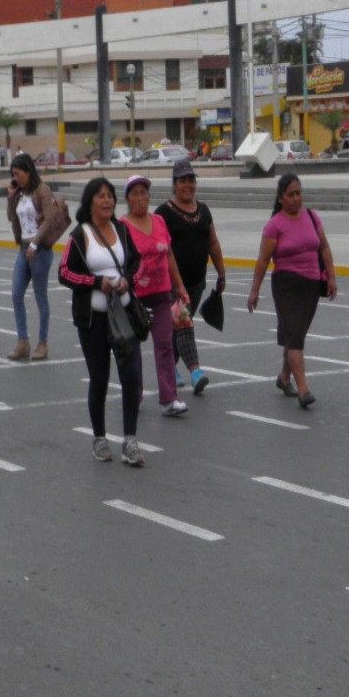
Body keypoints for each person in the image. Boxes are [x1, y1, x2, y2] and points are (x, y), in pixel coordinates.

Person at [57, 178, 145, 466]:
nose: (107, 201)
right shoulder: (79, 235)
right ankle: (100, 438)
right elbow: (64, 273)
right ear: (90, 201)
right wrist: (96, 282)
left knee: (132, 377)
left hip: (124, 315)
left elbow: (136, 261)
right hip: (93, 320)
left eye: (110, 196)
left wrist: (125, 281)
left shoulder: (121, 229)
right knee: (100, 379)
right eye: (101, 196)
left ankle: (130, 440)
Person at [247, 173, 336, 409]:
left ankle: (284, 377)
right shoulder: (275, 225)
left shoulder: (311, 217)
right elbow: (263, 260)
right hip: (286, 285)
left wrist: (331, 277)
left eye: (299, 193)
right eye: (291, 194)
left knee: (296, 334)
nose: (296, 198)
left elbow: (324, 248)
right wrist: (254, 291)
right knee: (295, 336)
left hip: (311, 284)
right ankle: (303, 388)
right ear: (280, 198)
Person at [121, 174, 190, 417]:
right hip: (134, 298)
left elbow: (169, 255)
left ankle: (169, 399)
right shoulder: (122, 226)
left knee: (164, 345)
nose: (141, 198)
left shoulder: (159, 221)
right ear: (127, 199)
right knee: (132, 348)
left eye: (144, 192)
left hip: (161, 293)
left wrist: (179, 286)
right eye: (135, 193)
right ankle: (134, 394)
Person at [155, 158, 226, 394]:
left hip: (197, 283)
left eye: (191, 180)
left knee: (177, 326)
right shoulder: (164, 212)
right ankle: (196, 371)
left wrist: (221, 273)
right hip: (173, 284)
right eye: (183, 180)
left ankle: (170, 367)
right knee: (183, 323)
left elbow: (213, 244)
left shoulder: (203, 210)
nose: (188, 185)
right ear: (175, 184)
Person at [4, 153, 60, 361]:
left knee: (40, 296)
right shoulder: (20, 194)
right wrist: (10, 198)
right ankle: (23, 342)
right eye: (13, 175)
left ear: (28, 171)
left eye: (18, 174)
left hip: (40, 249)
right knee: (16, 294)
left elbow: (50, 217)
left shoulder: (41, 190)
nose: (15, 178)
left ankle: (43, 343)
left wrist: (35, 243)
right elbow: (11, 217)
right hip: (24, 247)